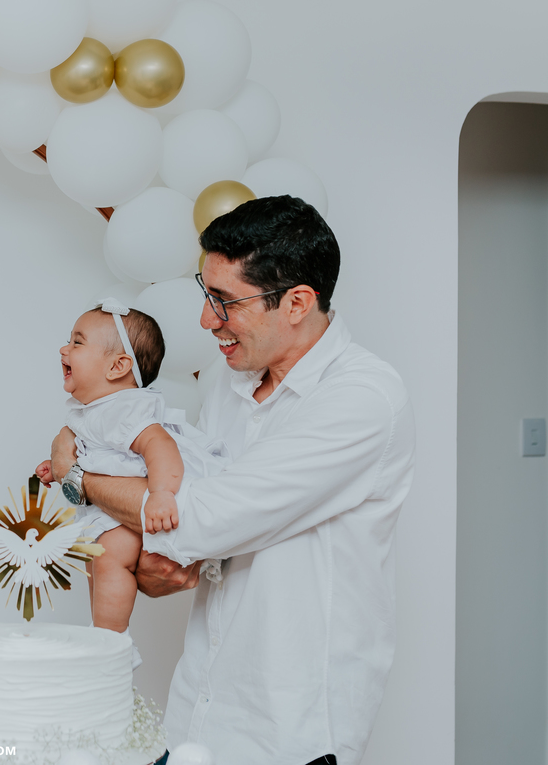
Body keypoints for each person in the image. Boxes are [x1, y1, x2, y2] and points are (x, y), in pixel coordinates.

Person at [51, 196, 415, 765]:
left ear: (297, 302)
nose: (205, 320)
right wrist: (163, 559)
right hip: (196, 710)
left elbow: (200, 516)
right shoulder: (232, 380)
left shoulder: (362, 399)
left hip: (289, 733)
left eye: (224, 301)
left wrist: (78, 476)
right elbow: (186, 523)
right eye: (206, 293)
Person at [34, 301, 224, 662]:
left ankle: (110, 642)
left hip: (135, 507)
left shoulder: (123, 408)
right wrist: (55, 467)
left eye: (77, 342)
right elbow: (91, 454)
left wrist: (162, 493)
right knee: (94, 559)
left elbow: (159, 445)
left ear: (117, 366)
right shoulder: (96, 409)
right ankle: (102, 637)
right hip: (111, 507)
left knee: (108, 558)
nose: (64, 349)